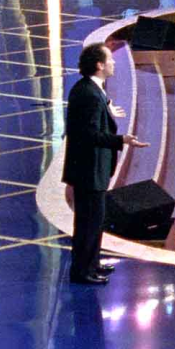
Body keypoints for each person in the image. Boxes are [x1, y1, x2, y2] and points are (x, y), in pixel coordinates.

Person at [63, 43, 147, 285]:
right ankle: (82, 272)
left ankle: (92, 264)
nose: (114, 62)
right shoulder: (88, 94)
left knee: (95, 221)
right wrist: (122, 140)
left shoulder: (92, 89)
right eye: (110, 59)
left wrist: (108, 106)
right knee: (88, 223)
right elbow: (89, 135)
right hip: (88, 171)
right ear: (99, 65)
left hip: (92, 170)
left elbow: (99, 103)